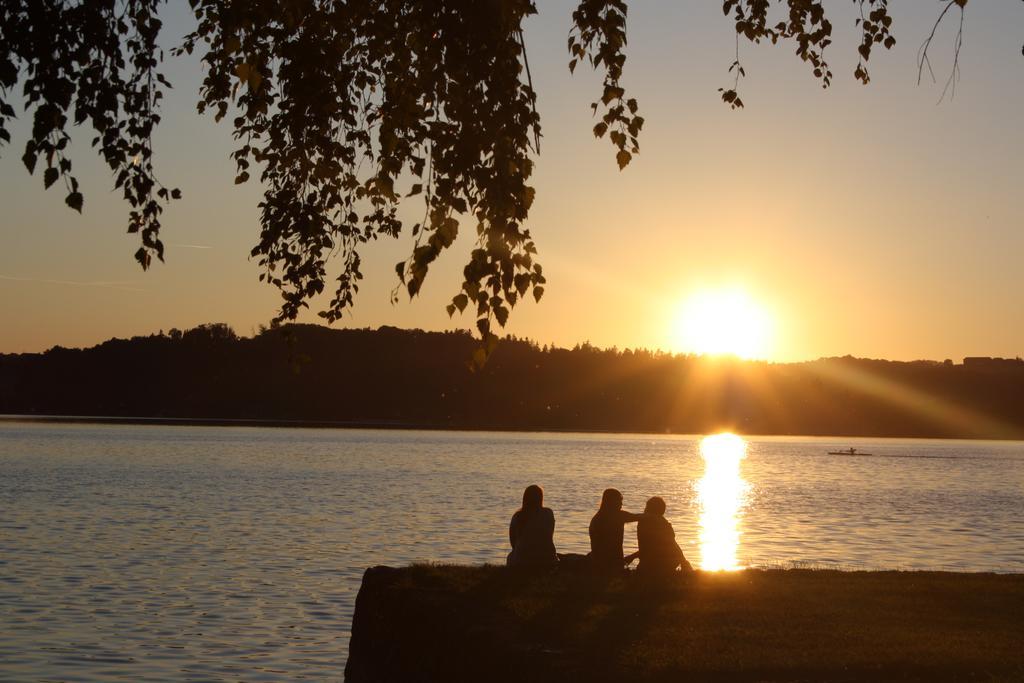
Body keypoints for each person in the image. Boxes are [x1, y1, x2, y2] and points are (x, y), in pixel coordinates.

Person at [627, 496, 692, 579]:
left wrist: (631, 557)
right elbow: (671, 545)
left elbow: (652, 549)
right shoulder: (663, 524)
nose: (645, 509)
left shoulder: (648, 523)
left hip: (658, 565)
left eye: (647, 507)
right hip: (666, 563)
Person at [588, 488, 644, 573]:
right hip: (611, 564)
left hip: (598, 561)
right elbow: (638, 517)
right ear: (611, 502)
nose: (621, 504)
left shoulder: (597, 517)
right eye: (619, 501)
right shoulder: (617, 516)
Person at [507, 484, 557, 569]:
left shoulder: (518, 516)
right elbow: (549, 536)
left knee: (510, 556)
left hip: (521, 562)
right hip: (547, 560)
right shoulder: (548, 513)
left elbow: (513, 542)